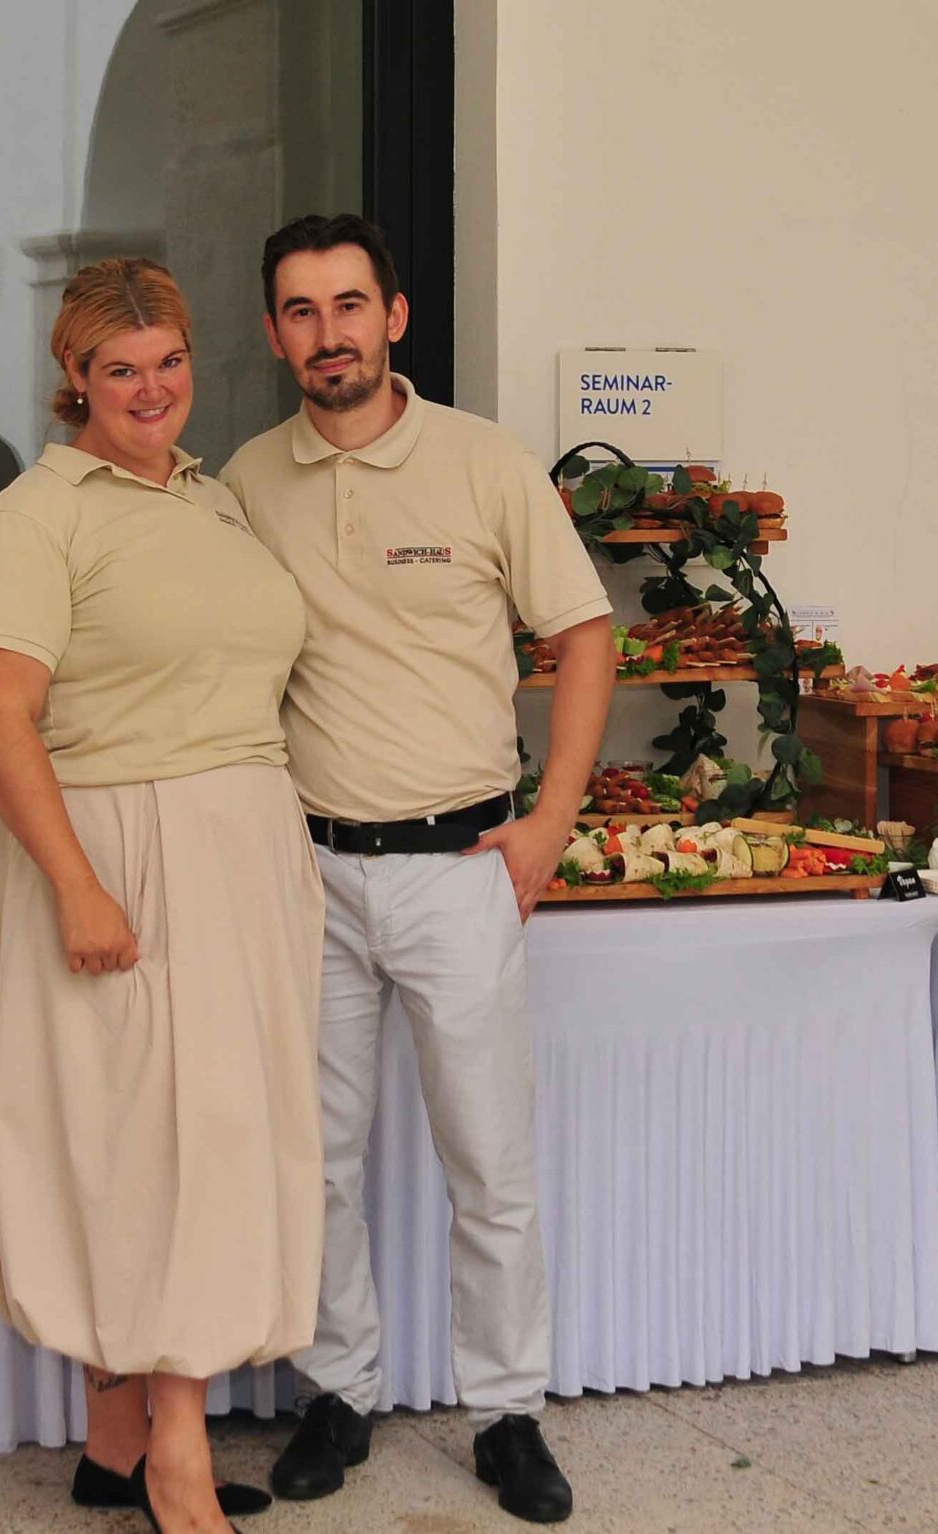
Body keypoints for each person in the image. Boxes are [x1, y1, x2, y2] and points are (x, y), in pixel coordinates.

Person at [221, 214, 616, 1525]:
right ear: (274, 331)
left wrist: (551, 818)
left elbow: (584, 632)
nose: (325, 332)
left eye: (348, 304)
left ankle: (508, 1408)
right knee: (318, 1155)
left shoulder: (483, 463)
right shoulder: (245, 482)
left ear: (395, 317)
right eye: (299, 309)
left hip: (462, 863)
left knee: (487, 1158)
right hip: (311, 872)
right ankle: (339, 1389)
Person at [0, 257, 322, 1534]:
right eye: (120, 370)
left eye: (168, 362)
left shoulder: (214, 501)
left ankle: (115, 1442)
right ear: (73, 379)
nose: (150, 389)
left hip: (238, 855)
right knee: (146, 1156)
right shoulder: (37, 514)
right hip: (110, 853)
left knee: (195, 1142)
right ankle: (177, 1457)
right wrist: (80, 886)